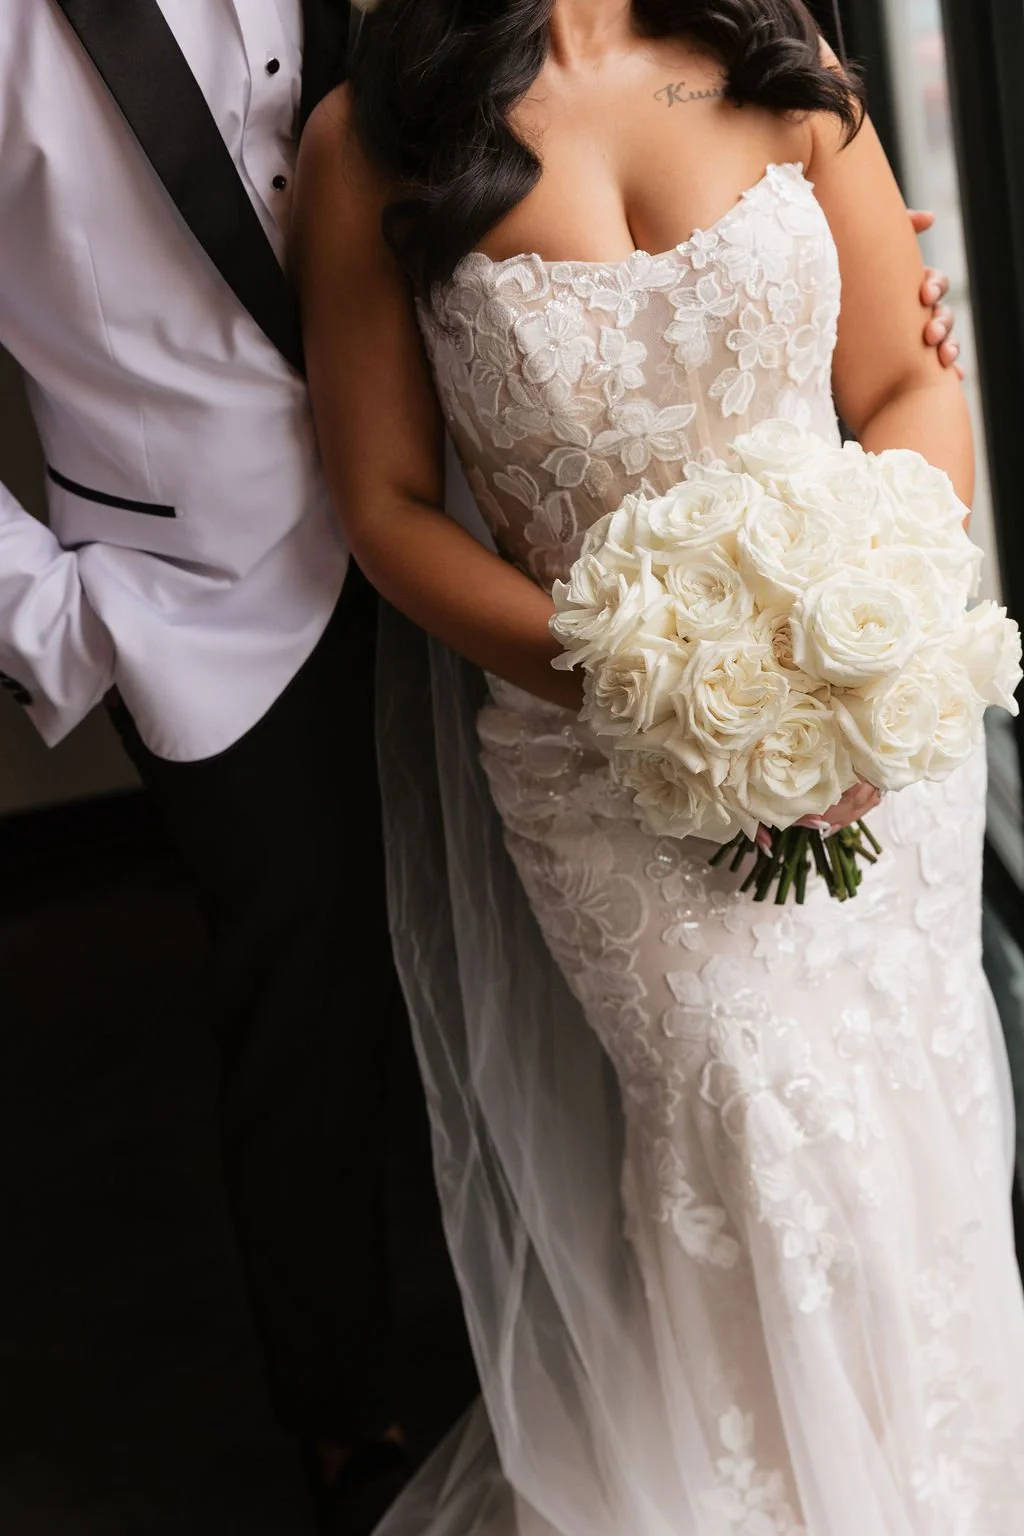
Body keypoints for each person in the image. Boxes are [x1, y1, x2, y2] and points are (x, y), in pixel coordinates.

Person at [292, 0, 1024, 1530]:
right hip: (603, 755)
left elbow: (903, 382)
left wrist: (858, 659)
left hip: (871, 737)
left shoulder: (780, 59)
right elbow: (386, 507)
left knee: (913, 1109)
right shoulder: (376, 146)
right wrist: (653, 686)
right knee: (748, 1122)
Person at [0, 4, 432, 1530]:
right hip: (199, 600)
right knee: (305, 1005)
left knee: (507, 935)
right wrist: (63, 622)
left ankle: (544, 1331)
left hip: (464, 514)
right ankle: (348, 1416)